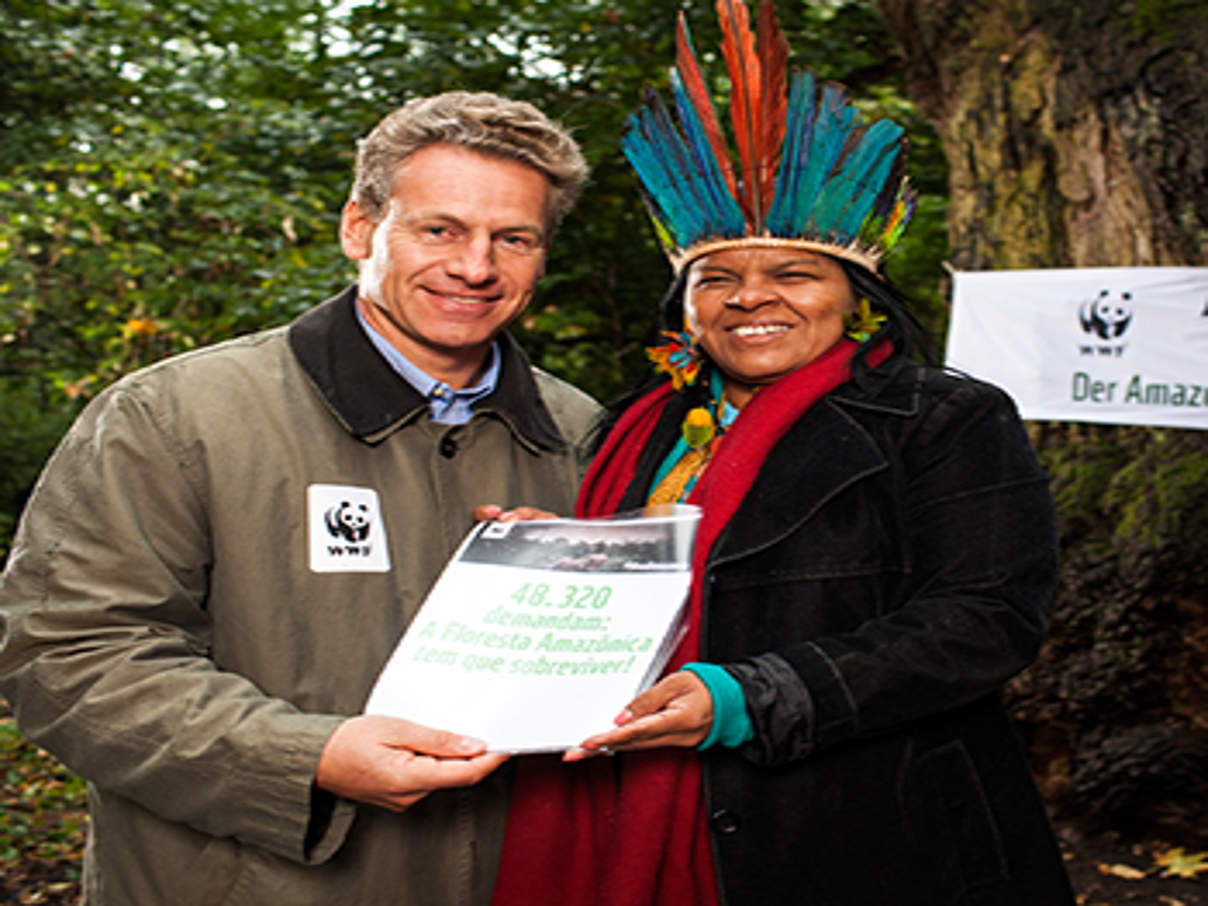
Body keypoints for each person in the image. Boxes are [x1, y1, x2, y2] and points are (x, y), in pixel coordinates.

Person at [488, 3, 1076, 905]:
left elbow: (985, 620)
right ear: (684, 306)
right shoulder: (631, 430)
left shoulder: (943, 419)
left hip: (873, 830)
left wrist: (749, 698)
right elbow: (636, 596)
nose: (749, 297)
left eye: (793, 274)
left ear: (857, 297)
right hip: (626, 800)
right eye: (716, 277)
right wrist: (557, 556)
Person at [0, 91, 599, 904]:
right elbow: (68, 655)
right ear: (360, 227)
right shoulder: (175, 416)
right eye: (440, 229)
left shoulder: (586, 434)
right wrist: (305, 758)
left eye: (514, 238)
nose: (475, 266)